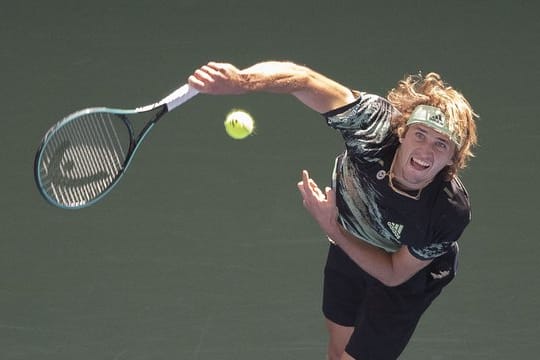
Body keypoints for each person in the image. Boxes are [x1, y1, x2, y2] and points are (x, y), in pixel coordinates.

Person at [188, 61, 478, 360]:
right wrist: (243, 81)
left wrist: (332, 229)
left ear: (453, 159)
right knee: (338, 349)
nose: (426, 151)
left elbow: (393, 274)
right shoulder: (373, 128)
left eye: (441, 144)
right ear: (403, 132)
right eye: (420, 134)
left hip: (408, 276)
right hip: (351, 239)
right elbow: (305, 80)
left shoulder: (447, 212)